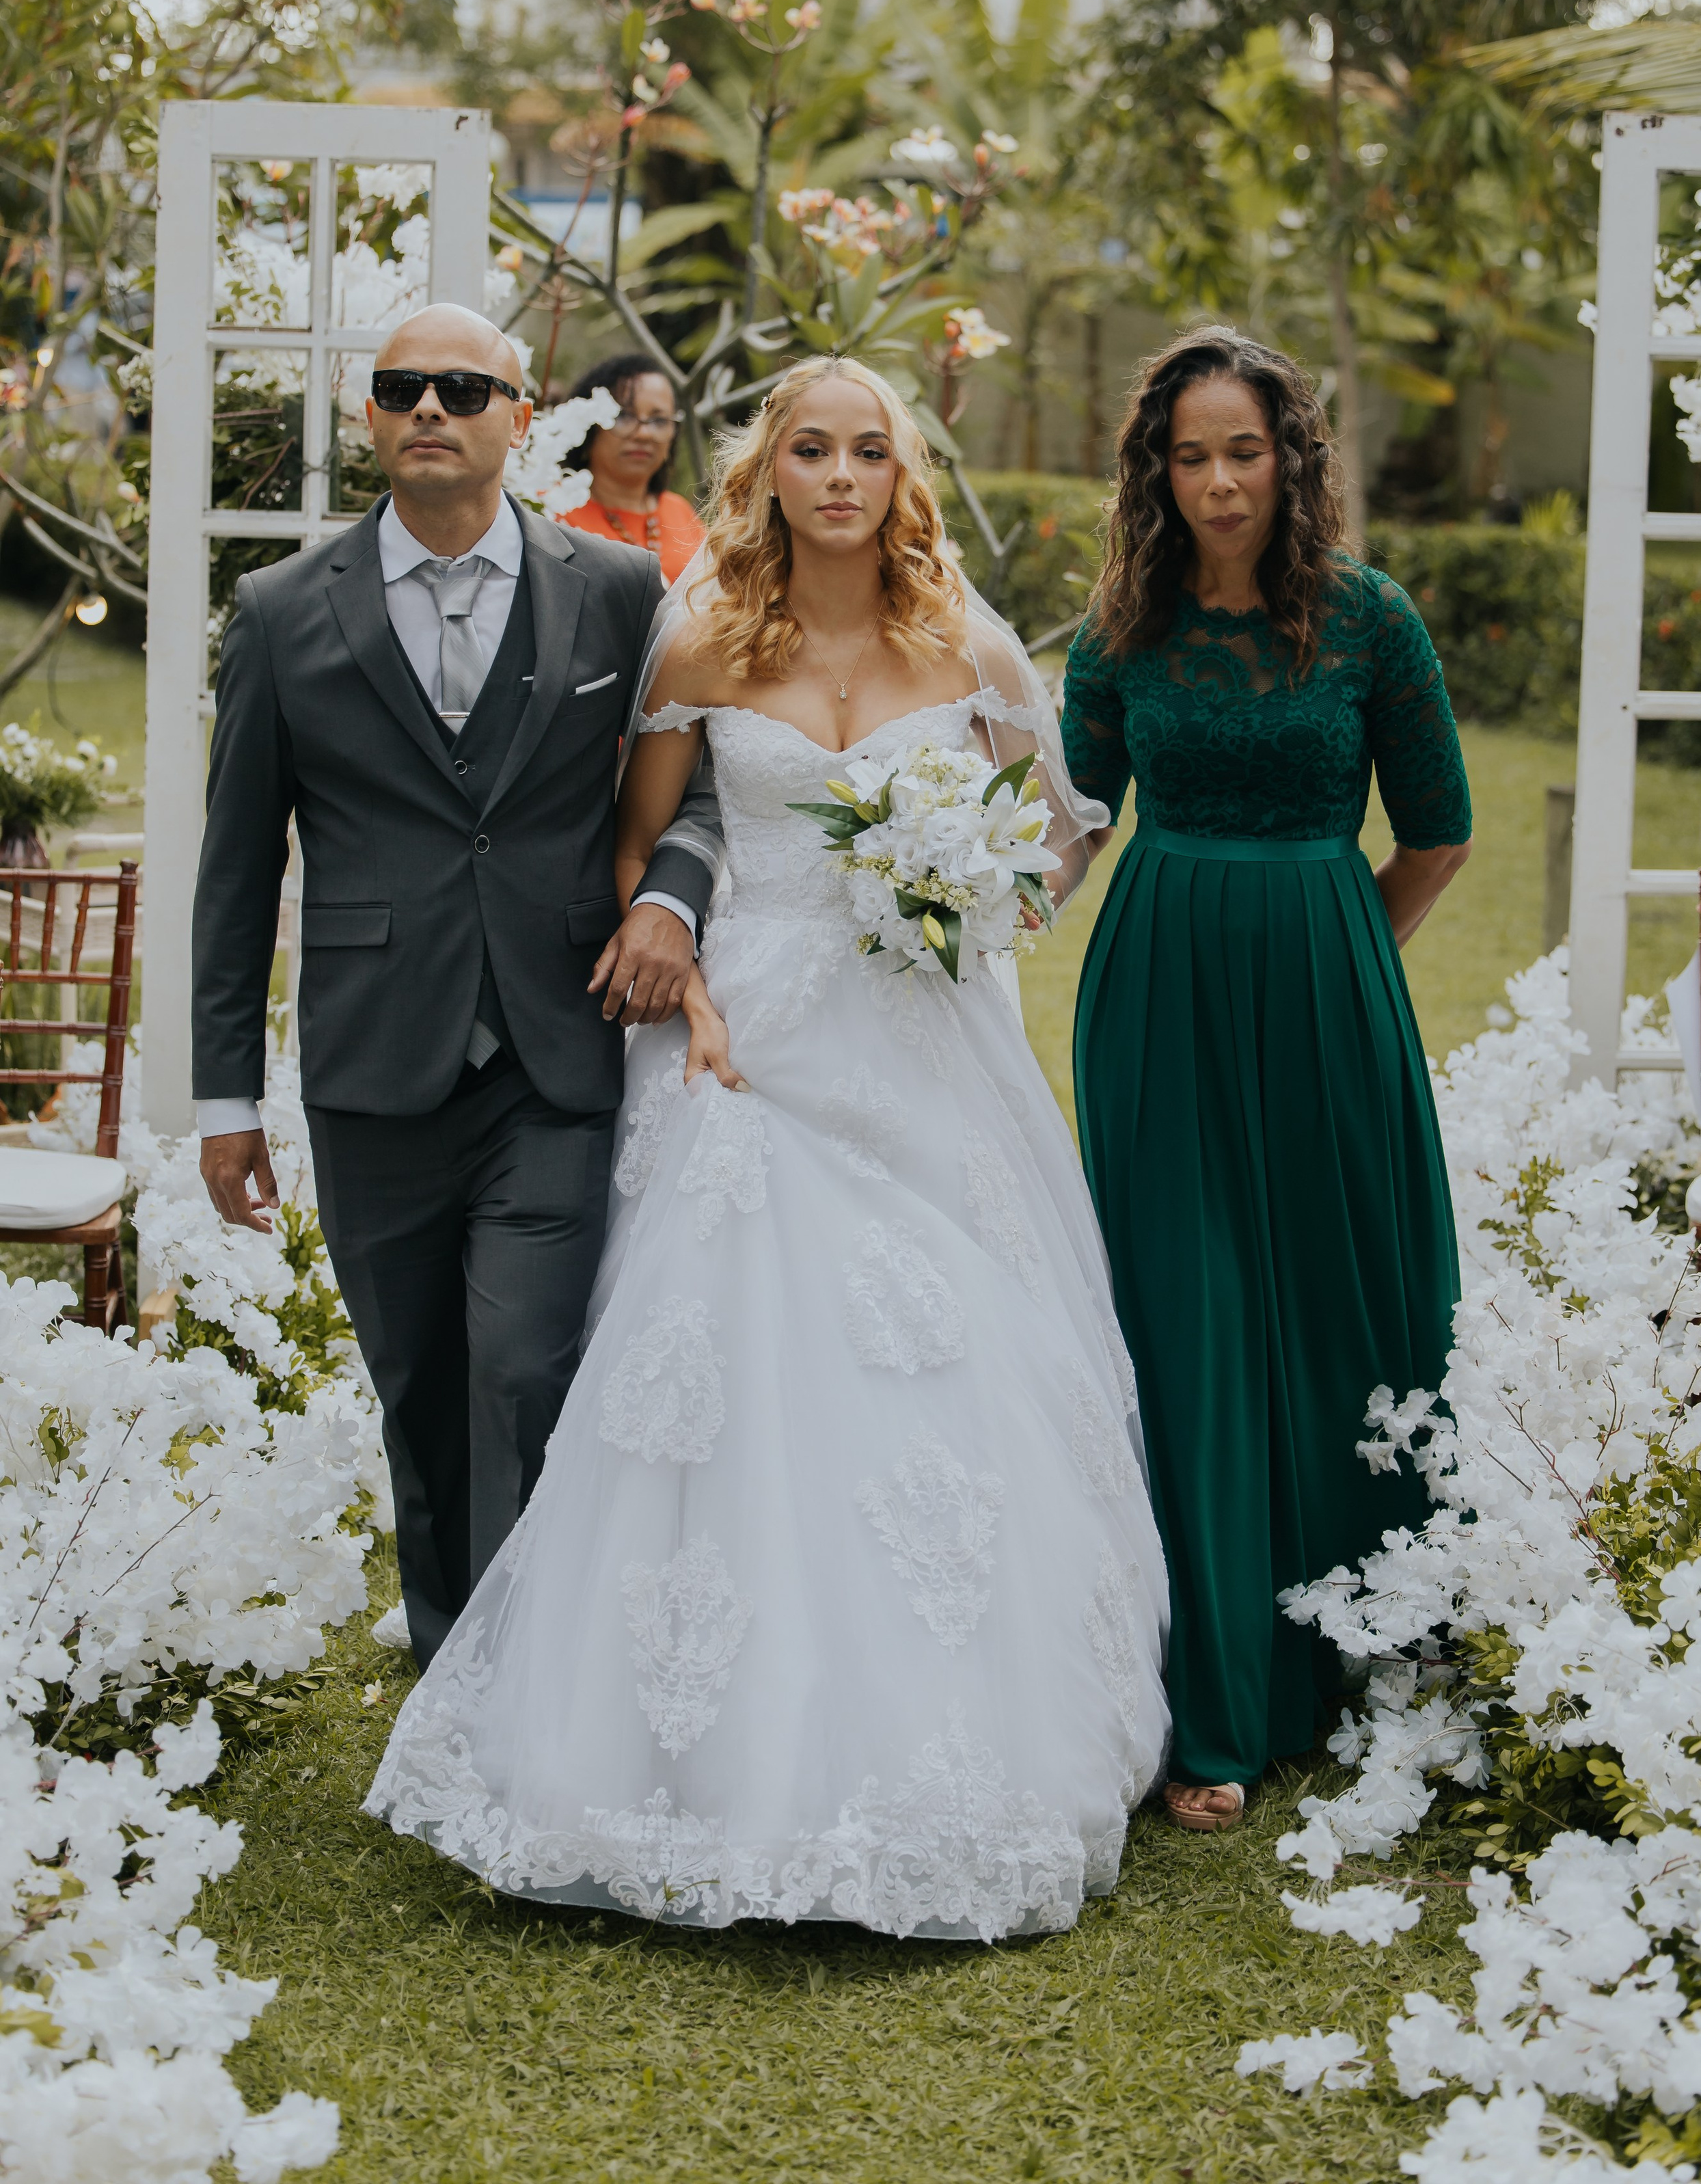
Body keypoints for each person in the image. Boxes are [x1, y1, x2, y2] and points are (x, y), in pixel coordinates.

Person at [366, 355, 1171, 1937]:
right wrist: (679, 959)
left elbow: (1062, 826)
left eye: (868, 449)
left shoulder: (971, 640)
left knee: (955, 1367)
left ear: (901, 475)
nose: (839, 475)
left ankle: (941, 1738)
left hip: (926, 1050)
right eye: (810, 448)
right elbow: (635, 839)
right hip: (748, 1042)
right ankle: (680, 1751)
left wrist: (974, 899)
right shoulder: (704, 637)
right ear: (770, 475)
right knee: (723, 1341)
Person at [191, 304, 724, 1672]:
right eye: (401, 388)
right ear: (369, 418)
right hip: (376, 1064)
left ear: (519, 415)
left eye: (462, 388)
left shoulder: (616, 594)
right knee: (419, 1391)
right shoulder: (277, 614)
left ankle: (535, 1676)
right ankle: (452, 1666)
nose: (431, 407)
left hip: (554, 1053)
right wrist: (222, 1096)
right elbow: (239, 869)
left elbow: (699, 794)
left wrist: (668, 899)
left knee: (526, 1370)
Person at [1061, 325, 1472, 1833]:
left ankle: (1368, 1656)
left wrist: (1341, 950)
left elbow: (1435, 830)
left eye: (1243, 451)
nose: (1218, 481)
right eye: (1189, 455)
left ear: (1288, 460)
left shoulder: (1368, 621)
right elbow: (1070, 818)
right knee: (1185, 1320)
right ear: (1153, 472)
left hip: (1323, 988)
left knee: (1341, 1305)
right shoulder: (1119, 626)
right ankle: (1216, 1705)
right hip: (1155, 990)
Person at [557, 351, 705, 583]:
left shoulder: (681, 512)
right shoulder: (551, 509)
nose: (643, 433)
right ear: (588, 426)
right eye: (624, 416)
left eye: (658, 421)